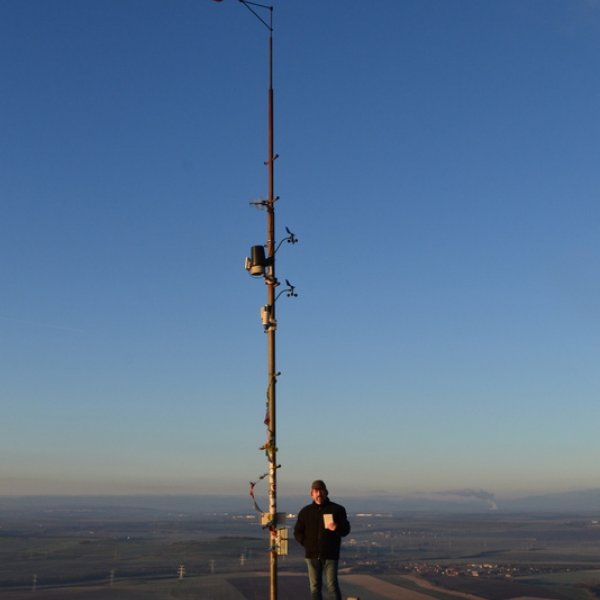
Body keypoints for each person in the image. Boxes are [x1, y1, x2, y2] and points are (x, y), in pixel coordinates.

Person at [294, 480, 351, 600]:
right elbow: (297, 532)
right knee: (314, 588)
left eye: (321, 490)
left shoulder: (337, 509)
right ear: (311, 494)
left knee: (332, 586)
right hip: (312, 555)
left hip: (330, 555)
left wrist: (336, 527)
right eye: (316, 491)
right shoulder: (305, 512)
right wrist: (306, 543)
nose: (318, 493)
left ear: (326, 492)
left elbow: (346, 530)